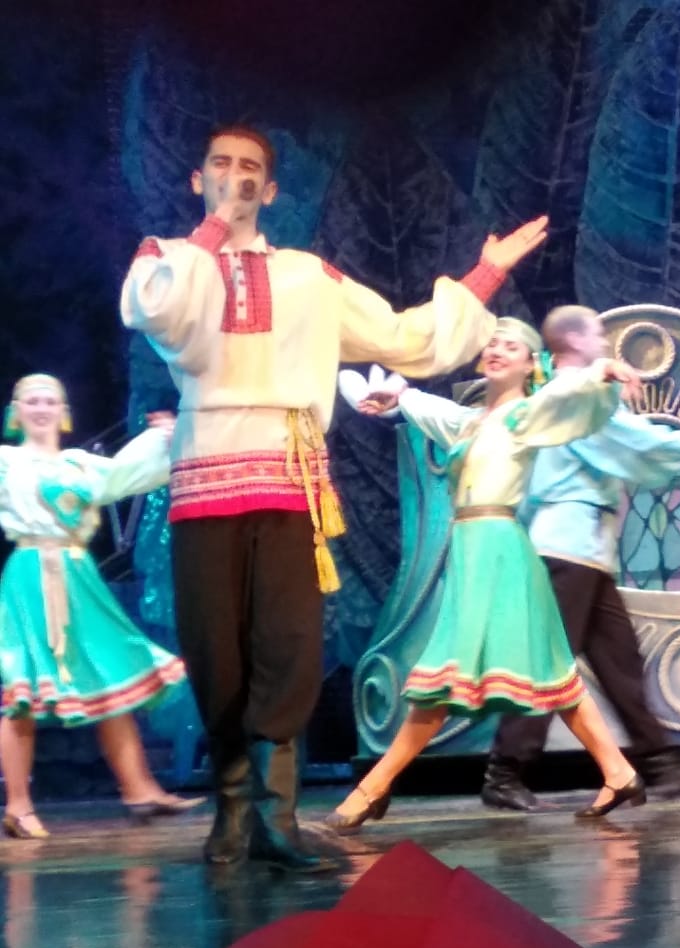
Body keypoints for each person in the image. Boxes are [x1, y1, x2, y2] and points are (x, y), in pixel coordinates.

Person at [120, 123, 548, 871]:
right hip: (205, 471)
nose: (235, 175)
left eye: (249, 168)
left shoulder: (308, 277)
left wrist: (485, 274)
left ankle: (275, 815)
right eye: (221, 164)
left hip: (285, 474)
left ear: (271, 189)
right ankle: (231, 811)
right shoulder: (168, 259)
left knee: (286, 642)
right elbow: (160, 316)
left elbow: (405, 337)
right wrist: (215, 226)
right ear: (198, 179)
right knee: (215, 647)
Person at [324, 318, 645, 833]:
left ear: (530, 363)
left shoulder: (525, 415)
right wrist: (398, 399)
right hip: (473, 551)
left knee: (444, 676)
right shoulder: (473, 422)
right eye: (493, 343)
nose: (497, 350)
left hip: (499, 552)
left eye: (511, 346)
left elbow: (563, 396)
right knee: (551, 675)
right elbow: (437, 412)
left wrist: (600, 370)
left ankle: (374, 788)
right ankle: (618, 772)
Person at [480, 305, 680, 812]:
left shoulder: (584, 394)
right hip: (564, 546)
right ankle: (504, 772)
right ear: (575, 340)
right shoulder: (572, 398)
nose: (604, 342)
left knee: (619, 661)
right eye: (598, 333)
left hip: (587, 550)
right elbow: (627, 437)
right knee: (548, 664)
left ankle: (661, 765)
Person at [0, 375, 201, 839]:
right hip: (31, 575)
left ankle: (140, 789)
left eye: (51, 401)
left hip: (78, 575)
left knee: (110, 674)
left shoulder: (78, 464)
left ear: (64, 411)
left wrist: (163, 438)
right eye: (33, 401)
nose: (42, 408)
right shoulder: (7, 462)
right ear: (16, 411)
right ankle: (19, 805)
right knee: (24, 687)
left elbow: (124, 473)